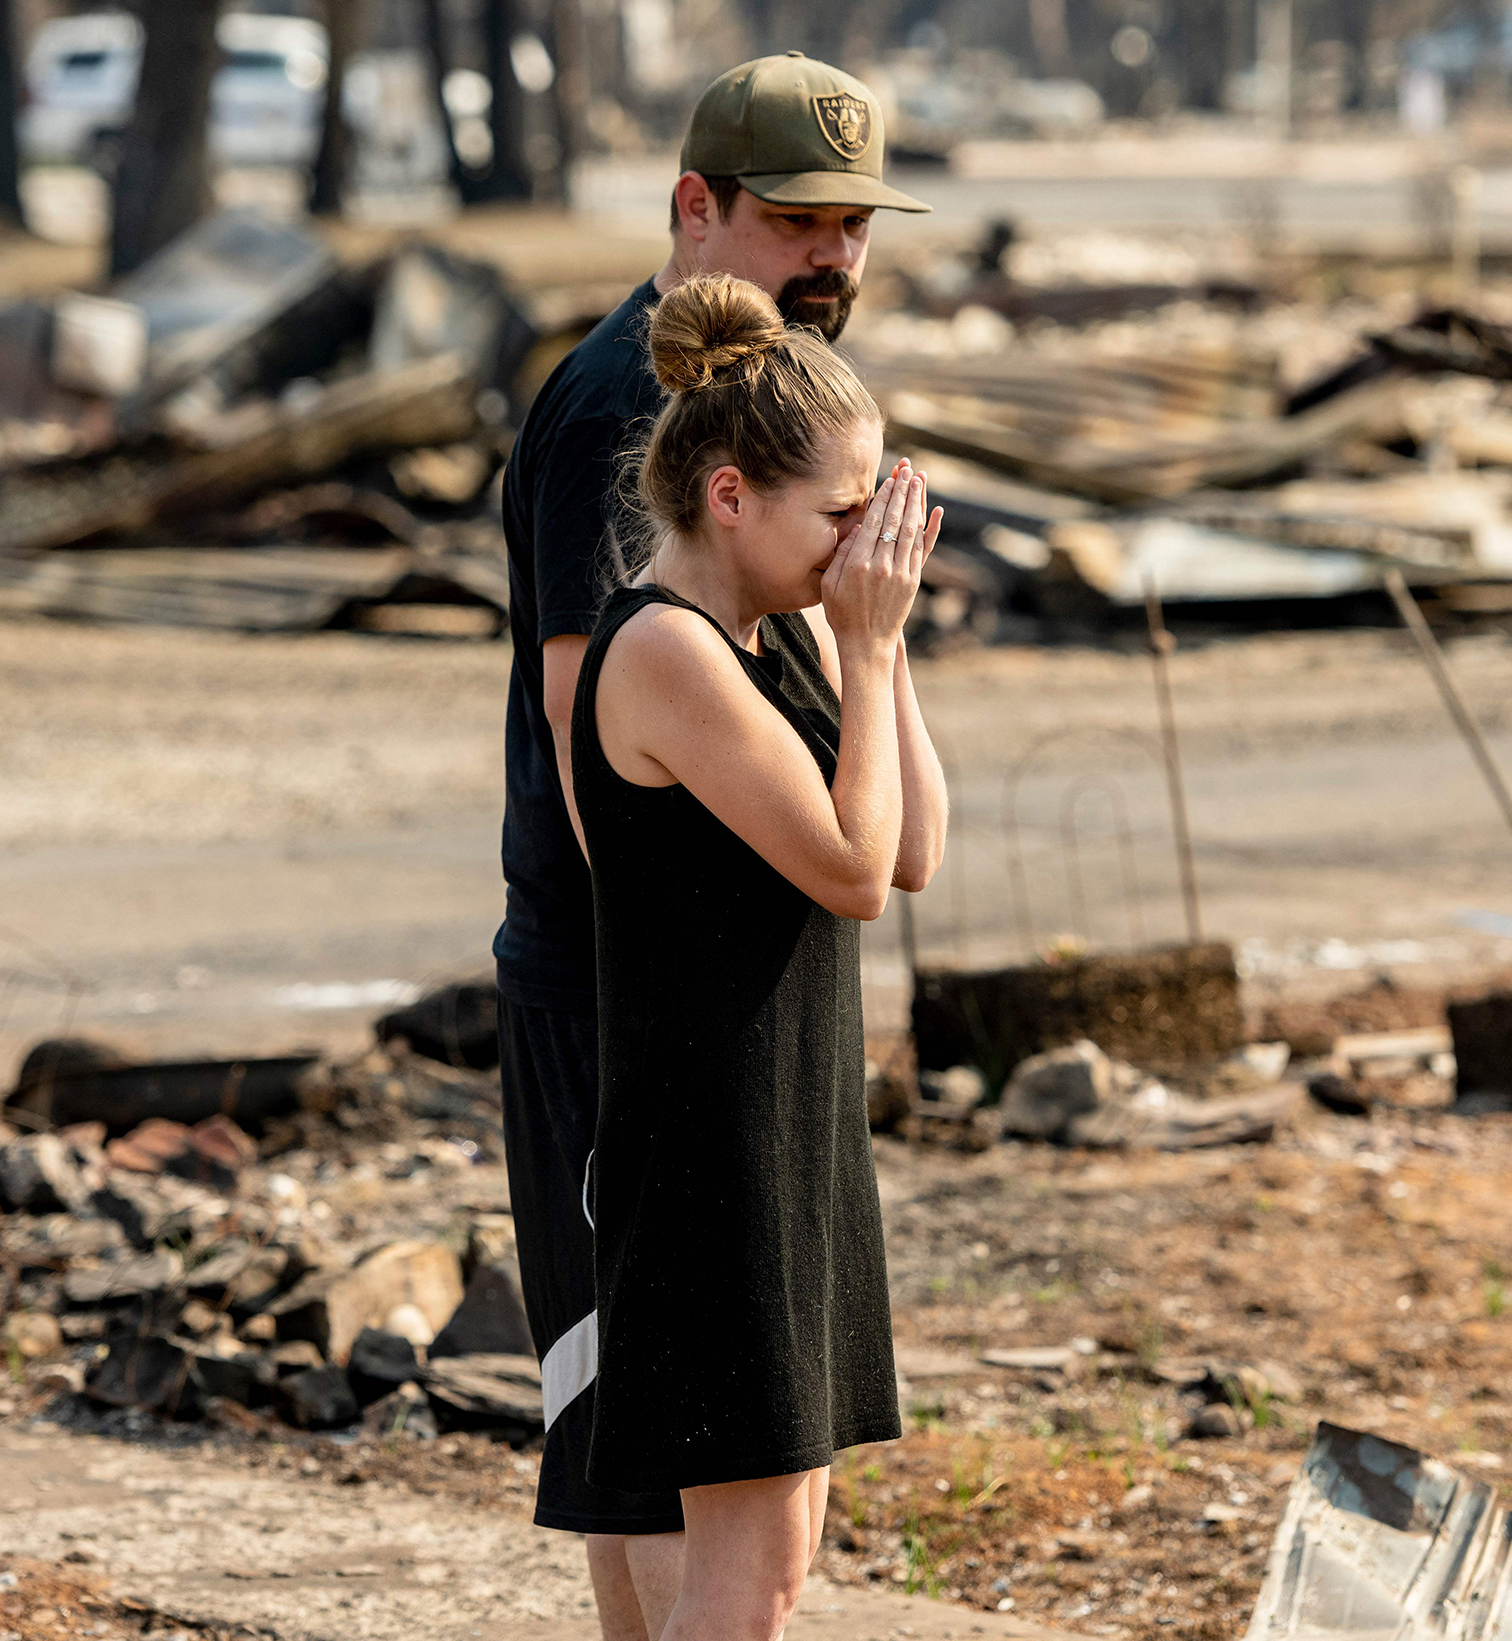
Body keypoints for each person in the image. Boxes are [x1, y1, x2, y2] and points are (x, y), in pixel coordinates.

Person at [491, 51, 929, 1641]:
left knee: (744, 1536)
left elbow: (891, 842)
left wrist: (871, 638)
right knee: (666, 1503)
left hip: (752, 1044)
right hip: (635, 1016)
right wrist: (683, 972)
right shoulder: (631, 408)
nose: (834, 258)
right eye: (799, 221)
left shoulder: (781, 467)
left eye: (853, 226)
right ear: (697, 208)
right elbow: (585, 730)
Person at [575, 271, 946, 1641]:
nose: (862, 546)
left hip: (788, 1139)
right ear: (729, 496)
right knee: (746, 1587)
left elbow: (914, 848)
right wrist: (868, 646)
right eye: (841, 517)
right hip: (713, 1154)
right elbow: (851, 869)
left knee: (767, 1566)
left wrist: (876, 647)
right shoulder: (667, 652)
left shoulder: (777, 633)